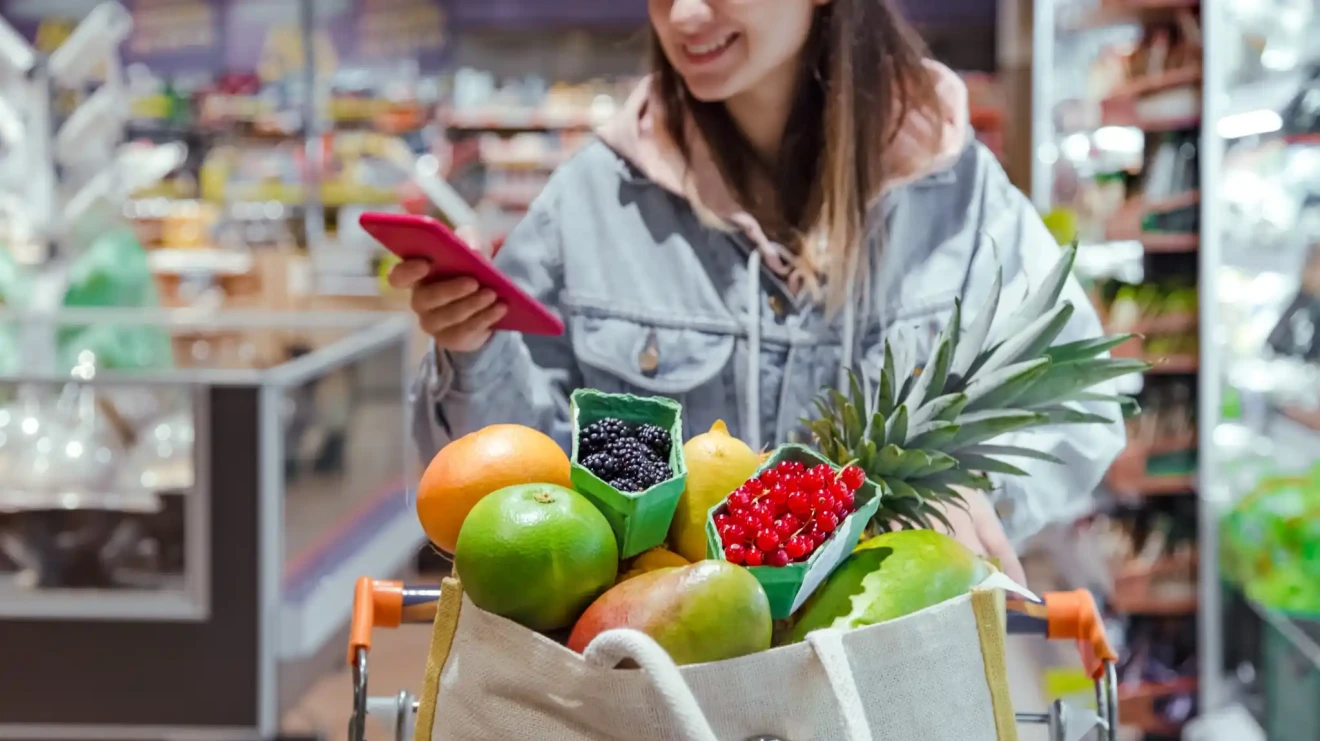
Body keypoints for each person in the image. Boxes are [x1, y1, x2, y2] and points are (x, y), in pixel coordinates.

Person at [390, 0, 1125, 583]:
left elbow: (1080, 397)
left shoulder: (957, 193)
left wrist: (972, 489)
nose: (682, 15)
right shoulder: (592, 201)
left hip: (886, 679)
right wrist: (472, 347)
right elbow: (508, 489)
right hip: (659, 690)